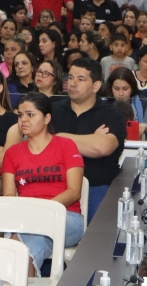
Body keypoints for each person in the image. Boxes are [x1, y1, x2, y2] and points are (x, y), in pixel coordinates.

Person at [1, 93, 86, 268]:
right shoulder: (12, 153)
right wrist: (32, 215)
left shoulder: (66, 145)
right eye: (20, 115)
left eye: (30, 115)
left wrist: (41, 211)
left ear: (47, 118)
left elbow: (74, 192)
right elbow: (9, 196)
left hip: (66, 217)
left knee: (17, 243)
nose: (23, 120)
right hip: (27, 220)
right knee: (26, 248)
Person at [51, 57, 127, 217]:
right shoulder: (52, 110)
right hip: (57, 185)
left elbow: (102, 147)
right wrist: (90, 139)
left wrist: (58, 138)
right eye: (70, 77)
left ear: (96, 85)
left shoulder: (111, 114)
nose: (72, 83)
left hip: (97, 186)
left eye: (80, 79)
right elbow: (38, 143)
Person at [107, 71, 143, 140]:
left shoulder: (143, 101)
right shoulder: (102, 104)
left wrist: (146, 127)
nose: (121, 94)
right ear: (111, 88)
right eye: (116, 89)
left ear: (132, 88)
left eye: (125, 89)